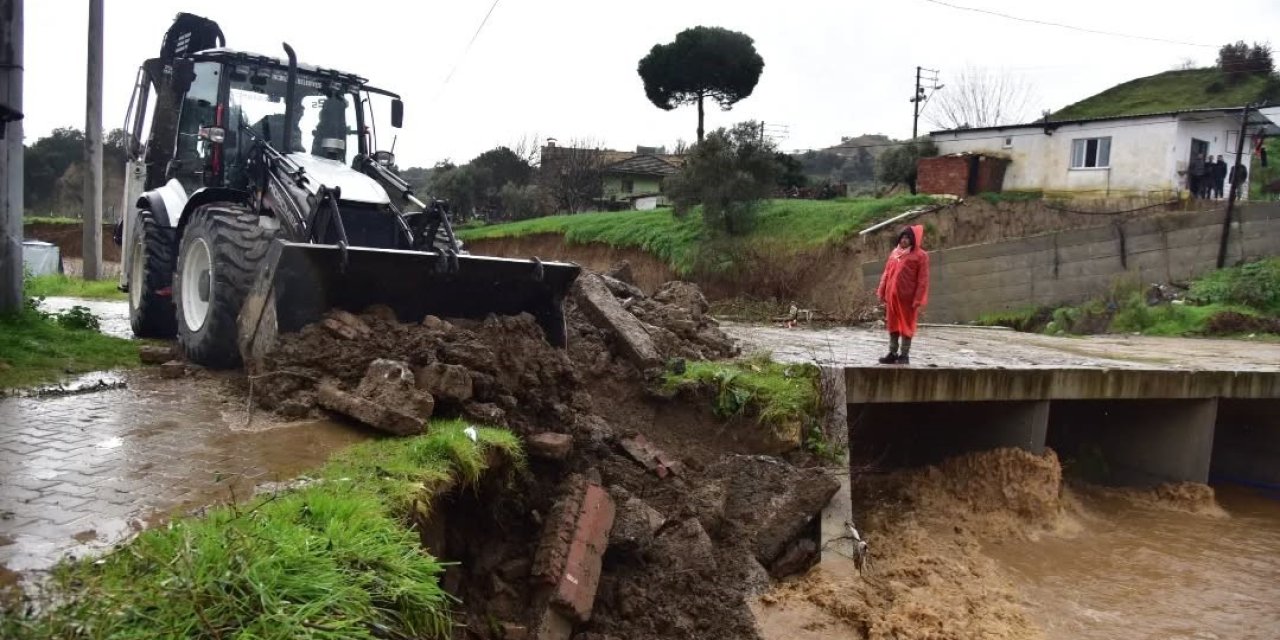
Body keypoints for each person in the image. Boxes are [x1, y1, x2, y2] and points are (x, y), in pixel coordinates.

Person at [876, 225, 930, 365]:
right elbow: (887, 273)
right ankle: (893, 353)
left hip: (908, 299)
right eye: (902, 237)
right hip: (892, 297)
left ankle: (904, 355)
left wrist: (918, 298)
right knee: (893, 325)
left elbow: (922, 280)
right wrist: (882, 290)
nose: (904, 240)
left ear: (913, 240)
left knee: (907, 325)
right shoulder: (895, 253)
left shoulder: (920, 256)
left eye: (907, 238)